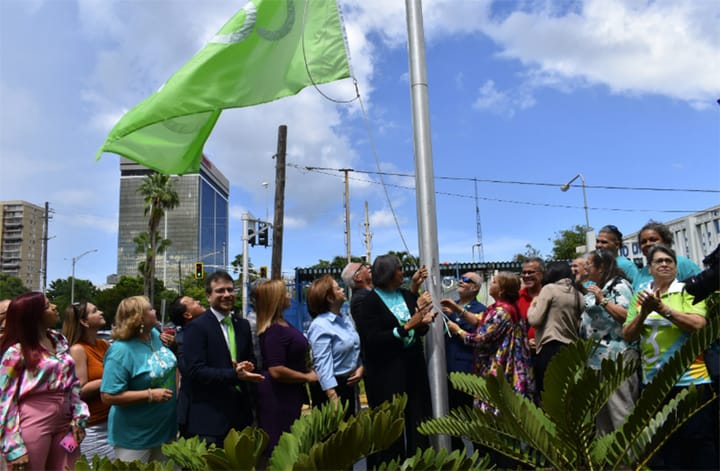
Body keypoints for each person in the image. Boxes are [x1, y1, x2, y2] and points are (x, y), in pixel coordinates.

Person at [622, 244, 716, 469]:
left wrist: (664, 310)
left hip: (691, 382)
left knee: (700, 445)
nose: (664, 264)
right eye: (659, 261)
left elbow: (699, 325)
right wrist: (644, 312)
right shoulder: (640, 294)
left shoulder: (688, 291)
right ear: (650, 268)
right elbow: (627, 334)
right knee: (666, 447)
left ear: (675, 267)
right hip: (655, 385)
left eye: (669, 261)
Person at [353, 254, 436, 464]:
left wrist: (422, 323)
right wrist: (407, 326)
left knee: (418, 422)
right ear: (390, 273)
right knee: (392, 430)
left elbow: (418, 330)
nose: (403, 273)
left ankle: (419, 464)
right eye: (400, 269)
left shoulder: (406, 295)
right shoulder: (369, 302)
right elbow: (372, 340)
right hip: (386, 376)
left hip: (413, 370)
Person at [0, 292, 89, 470]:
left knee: (69, 466)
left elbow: (73, 384)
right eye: (47, 306)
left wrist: (80, 417)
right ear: (34, 316)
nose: (55, 307)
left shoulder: (60, 341)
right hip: (34, 421)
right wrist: (14, 447)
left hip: (66, 421)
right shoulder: (16, 352)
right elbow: (5, 400)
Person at [182, 271, 263, 447]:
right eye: (220, 291)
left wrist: (248, 367)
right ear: (208, 296)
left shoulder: (242, 325)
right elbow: (195, 371)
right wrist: (234, 374)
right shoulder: (196, 327)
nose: (227, 295)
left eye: (230, 289)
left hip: (240, 417)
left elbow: (251, 358)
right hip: (209, 420)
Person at [100, 296, 177, 462]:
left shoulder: (154, 335)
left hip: (166, 430)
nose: (154, 311)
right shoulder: (120, 352)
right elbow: (108, 396)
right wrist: (149, 394)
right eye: (150, 309)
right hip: (135, 437)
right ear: (139, 318)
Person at [446, 272, 534, 400]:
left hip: (500, 366)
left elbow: (480, 340)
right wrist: (457, 309)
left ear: (501, 290)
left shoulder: (501, 312)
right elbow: (479, 320)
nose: (490, 284)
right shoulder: (501, 308)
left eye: (494, 282)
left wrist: (458, 330)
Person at [255, 279, 318, 455]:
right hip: (277, 396)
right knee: (277, 448)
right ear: (276, 299)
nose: (288, 295)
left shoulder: (282, 323)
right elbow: (276, 369)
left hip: (288, 394)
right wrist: (307, 377)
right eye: (284, 293)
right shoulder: (274, 330)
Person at [578, 250, 638, 434]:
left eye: (589, 264)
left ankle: (628, 460)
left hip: (617, 358)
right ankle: (607, 460)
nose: (585, 268)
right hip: (596, 360)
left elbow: (627, 317)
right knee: (602, 415)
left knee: (621, 411)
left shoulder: (619, 286)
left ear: (601, 267)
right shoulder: (594, 287)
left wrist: (603, 300)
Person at [440, 272, 486, 450]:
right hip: (446, 368)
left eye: (467, 280)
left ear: (474, 287)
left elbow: (477, 330)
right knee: (452, 420)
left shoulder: (480, 310)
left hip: (467, 370)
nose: (461, 281)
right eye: (461, 278)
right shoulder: (449, 307)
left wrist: (457, 321)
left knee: (473, 419)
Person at [527, 261, 585, 404]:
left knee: (547, 395)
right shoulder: (578, 294)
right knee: (565, 395)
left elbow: (535, 319)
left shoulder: (549, 289)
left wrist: (532, 305)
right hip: (571, 348)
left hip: (549, 346)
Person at [62, 301, 114, 460]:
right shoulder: (78, 349)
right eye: (95, 311)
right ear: (84, 322)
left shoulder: (103, 345)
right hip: (93, 427)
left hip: (111, 420)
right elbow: (80, 390)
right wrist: (113, 377)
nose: (101, 312)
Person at [306, 275, 363, 416]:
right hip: (332, 389)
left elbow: (355, 346)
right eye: (338, 289)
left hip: (349, 384)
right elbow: (322, 364)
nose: (343, 290)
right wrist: (333, 397)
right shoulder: (320, 325)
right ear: (330, 298)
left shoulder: (344, 319)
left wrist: (360, 367)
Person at [167, 295, 205, 438]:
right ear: (187, 315)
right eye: (194, 302)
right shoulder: (184, 340)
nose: (199, 301)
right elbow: (191, 372)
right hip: (196, 413)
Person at [632, 220, 701, 292]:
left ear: (665, 241)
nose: (648, 244)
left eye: (653, 240)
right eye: (643, 242)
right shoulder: (640, 274)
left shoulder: (682, 263)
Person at [517, 257, 545, 350]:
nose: (526, 275)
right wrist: (524, 342)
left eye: (531, 272)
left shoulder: (551, 296)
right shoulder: (517, 298)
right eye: (524, 273)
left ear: (542, 273)